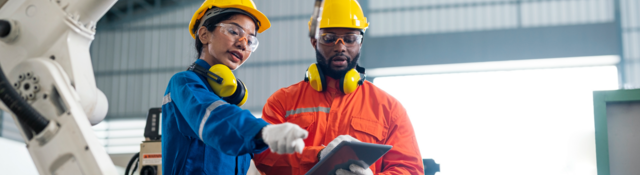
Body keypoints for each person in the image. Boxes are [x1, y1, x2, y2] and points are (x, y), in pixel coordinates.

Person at [253, 0, 425, 174]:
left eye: (350, 39)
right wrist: (318, 156)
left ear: (361, 42)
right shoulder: (282, 102)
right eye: (329, 39)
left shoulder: (389, 109)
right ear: (314, 42)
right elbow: (263, 155)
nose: (340, 47)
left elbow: (410, 169)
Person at [161, 0, 308, 174]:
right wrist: (263, 131)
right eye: (233, 31)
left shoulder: (229, 105)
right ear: (204, 35)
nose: (243, 44)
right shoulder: (184, 84)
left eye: (251, 40)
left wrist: (324, 158)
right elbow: (214, 118)